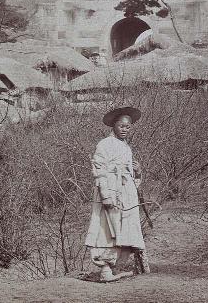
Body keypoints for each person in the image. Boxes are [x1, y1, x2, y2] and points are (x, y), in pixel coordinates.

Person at [84, 106, 146, 282]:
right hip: (110, 193)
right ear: (114, 126)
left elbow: (130, 178)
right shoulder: (105, 144)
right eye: (121, 126)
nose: (125, 129)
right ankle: (105, 269)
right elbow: (99, 170)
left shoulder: (126, 147)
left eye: (128, 127)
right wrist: (106, 195)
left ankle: (113, 268)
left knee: (124, 230)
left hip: (126, 196)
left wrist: (138, 172)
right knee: (106, 230)